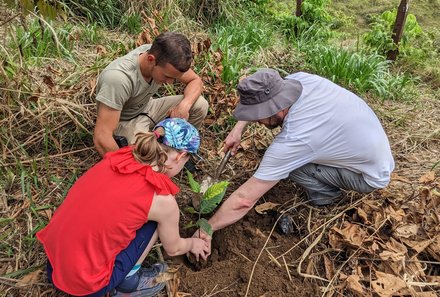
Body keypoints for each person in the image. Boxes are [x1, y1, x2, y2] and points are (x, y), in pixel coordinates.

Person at [195, 69, 394, 253]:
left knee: (293, 167)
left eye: (258, 117)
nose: (257, 122)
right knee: (288, 160)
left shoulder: (297, 138)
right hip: (369, 145)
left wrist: (208, 228)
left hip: (368, 175)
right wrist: (237, 129)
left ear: (273, 109)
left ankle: (326, 197)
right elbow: (262, 99)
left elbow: (244, 200)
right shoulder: (299, 80)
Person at [37, 118, 209, 297]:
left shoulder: (123, 156)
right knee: (154, 224)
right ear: (180, 156)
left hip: (55, 263)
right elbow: (173, 249)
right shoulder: (162, 201)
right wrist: (192, 244)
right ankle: (129, 282)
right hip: (87, 285)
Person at [94, 31, 209, 157]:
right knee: (145, 153)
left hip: (147, 107)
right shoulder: (118, 79)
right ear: (150, 60)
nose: (170, 82)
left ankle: (176, 152)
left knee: (200, 105)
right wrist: (122, 167)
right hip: (124, 120)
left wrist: (184, 106)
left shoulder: (161, 56)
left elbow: (195, 80)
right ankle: (155, 159)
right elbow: (102, 136)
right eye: (167, 76)